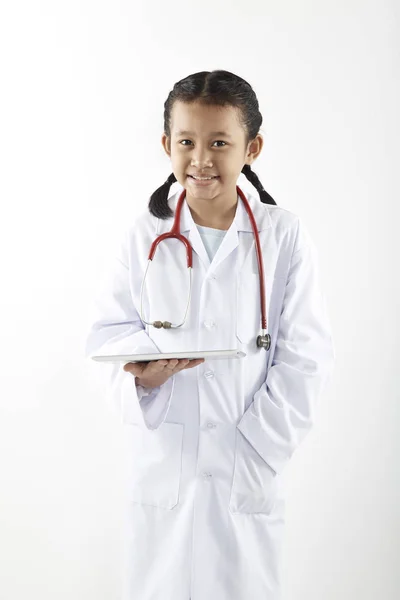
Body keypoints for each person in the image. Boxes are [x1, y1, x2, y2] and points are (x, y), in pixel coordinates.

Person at [84, 69, 335, 600]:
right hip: (165, 469)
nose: (201, 159)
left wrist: (251, 449)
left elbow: (305, 359)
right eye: (186, 142)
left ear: (252, 148)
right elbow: (108, 337)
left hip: (247, 467)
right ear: (166, 145)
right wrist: (142, 379)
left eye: (220, 142)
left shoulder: (284, 236)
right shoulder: (144, 236)